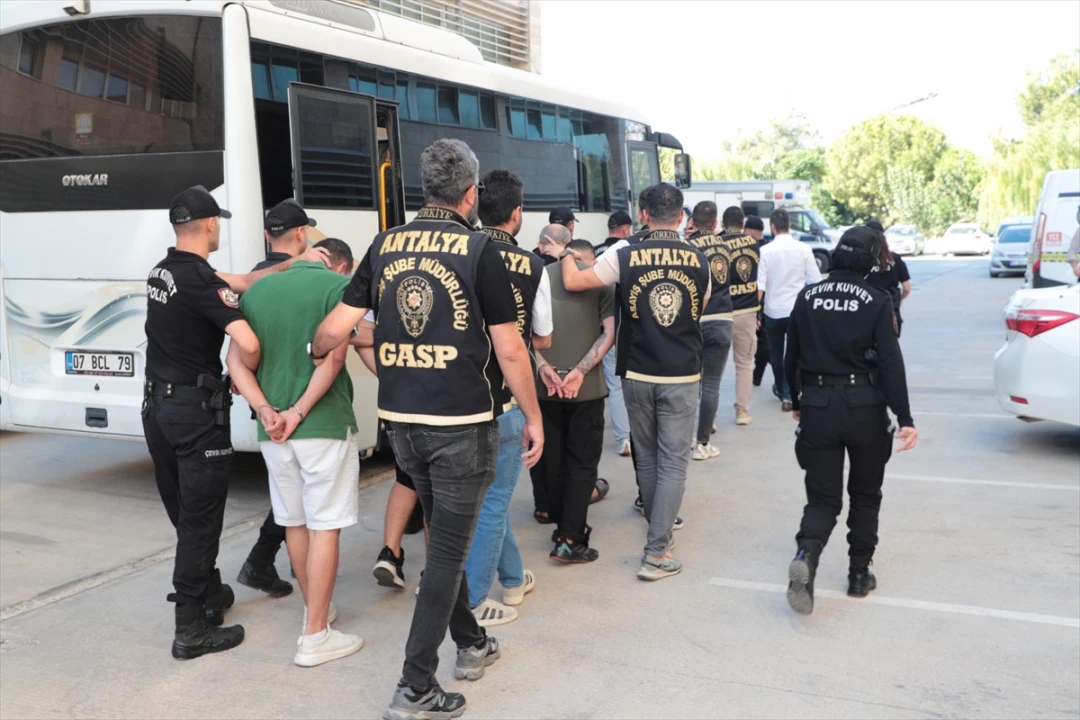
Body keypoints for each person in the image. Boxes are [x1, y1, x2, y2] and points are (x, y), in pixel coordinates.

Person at [311, 139, 544, 720]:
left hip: (403, 428)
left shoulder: (384, 245)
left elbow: (334, 330)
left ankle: (471, 641)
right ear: (470, 194)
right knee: (444, 557)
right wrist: (534, 416)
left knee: (445, 537)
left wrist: (317, 346)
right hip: (462, 427)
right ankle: (415, 684)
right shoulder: (480, 250)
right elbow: (511, 349)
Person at [143, 185, 325, 660]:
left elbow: (241, 281)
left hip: (157, 411)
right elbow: (248, 343)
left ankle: (208, 593)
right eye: (217, 222)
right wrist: (252, 370)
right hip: (194, 417)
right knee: (201, 522)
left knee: (185, 514)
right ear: (209, 225)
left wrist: (288, 266)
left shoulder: (165, 271)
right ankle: (191, 630)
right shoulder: (202, 282)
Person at [558, 183, 710, 582]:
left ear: (643, 215)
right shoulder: (700, 257)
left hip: (638, 371)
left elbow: (575, 282)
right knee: (673, 461)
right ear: (681, 216)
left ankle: (657, 523)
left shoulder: (624, 253)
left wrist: (567, 252)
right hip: (682, 372)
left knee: (647, 455)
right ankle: (657, 550)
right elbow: (698, 308)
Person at [225, 238, 363, 667]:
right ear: (341, 267)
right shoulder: (339, 288)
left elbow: (237, 362)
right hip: (322, 424)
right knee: (325, 526)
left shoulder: (258, 290)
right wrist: (298, 411)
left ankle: (314, 611)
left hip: (273, 432)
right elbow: (333, 361)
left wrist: (266, 410)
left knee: (294, 522)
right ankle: (316, 635)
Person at [783, 227, 918, 616]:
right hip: (864, 408)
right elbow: (890, 362)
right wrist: (904, 417)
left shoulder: (807, 296)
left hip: (818, 404)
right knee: (865, 494)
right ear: (871, 263)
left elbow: (791, 353)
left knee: (822, 498)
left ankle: (806, 555)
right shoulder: (877, 300)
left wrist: (797, 399)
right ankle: (859, 574)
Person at [463, 168, 552, 628]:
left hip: (461, 397)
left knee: (486, 501)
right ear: (517, 213)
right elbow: (542, 339)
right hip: (507, 399)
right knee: (494, 501)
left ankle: (514, 579)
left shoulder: (462, 251)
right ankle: (476, 600)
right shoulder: (532, 265)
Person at [237, 198, 319, 600]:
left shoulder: (253, 278)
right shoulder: (308, 277)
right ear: (301, 233)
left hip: (263, 399)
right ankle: (270, 562)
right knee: (301, 497)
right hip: (300, 399)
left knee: (289, 491)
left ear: (268, 235)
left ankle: (265, 560)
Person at [534, 231, 615, 563]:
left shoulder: (537, 276)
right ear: (585, 256)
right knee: (582, 464)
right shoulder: (600, 280)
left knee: (552, 460)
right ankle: (570, 538)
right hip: (587, 388)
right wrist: (580, 371)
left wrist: (543, 367)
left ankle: (559, 523)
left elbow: (523, 334)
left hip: (545, 388)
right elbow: (609, 333)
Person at [758, 208, 821, 412]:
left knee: (776, 352)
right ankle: (800, 390)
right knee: (798, 352)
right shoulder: (804, 249)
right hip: (797, 310)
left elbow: (760, 286)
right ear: (790, 225)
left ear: (772, 227)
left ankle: (785, 394)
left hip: (773, 310)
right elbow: (814, 282)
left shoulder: (765, 251)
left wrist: (756, 312)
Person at [686, 201, 733, 460]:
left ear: (692, 222)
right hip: (723, 318)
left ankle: (683, 438)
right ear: (715, 223)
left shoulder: (688, 247)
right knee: (712, 384)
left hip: (694, 321)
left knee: (689, 383)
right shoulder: (726, 246)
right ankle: (703, 443)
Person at [595, 212, 634, 456]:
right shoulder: (630, 252)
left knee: (615, 385)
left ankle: (624, 439)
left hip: (604, 328)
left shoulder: (594, 251)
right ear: (626, 229)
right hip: (629, 326)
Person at [722, 206, 761, 426]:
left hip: (721, 310)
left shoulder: (717, 243)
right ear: (743, 224)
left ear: (722, 224)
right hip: (746, 310)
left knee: (713, 367)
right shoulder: (753, 244)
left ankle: (709, 418)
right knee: (745, 363)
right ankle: (742, 412)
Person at [864, 221, 911, 337]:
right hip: (891, 311)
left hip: (868, 311)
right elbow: (907, 288)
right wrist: (898, 300)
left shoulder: (864, 260)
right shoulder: (895, 258)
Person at [745, 216, 770, 387]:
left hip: (755, 301)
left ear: (752, 232)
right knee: (763, 342)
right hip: (768, 300)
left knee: (762, 344)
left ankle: (757, 375)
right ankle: (756, 376)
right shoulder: (768, 247)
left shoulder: (752, 250)